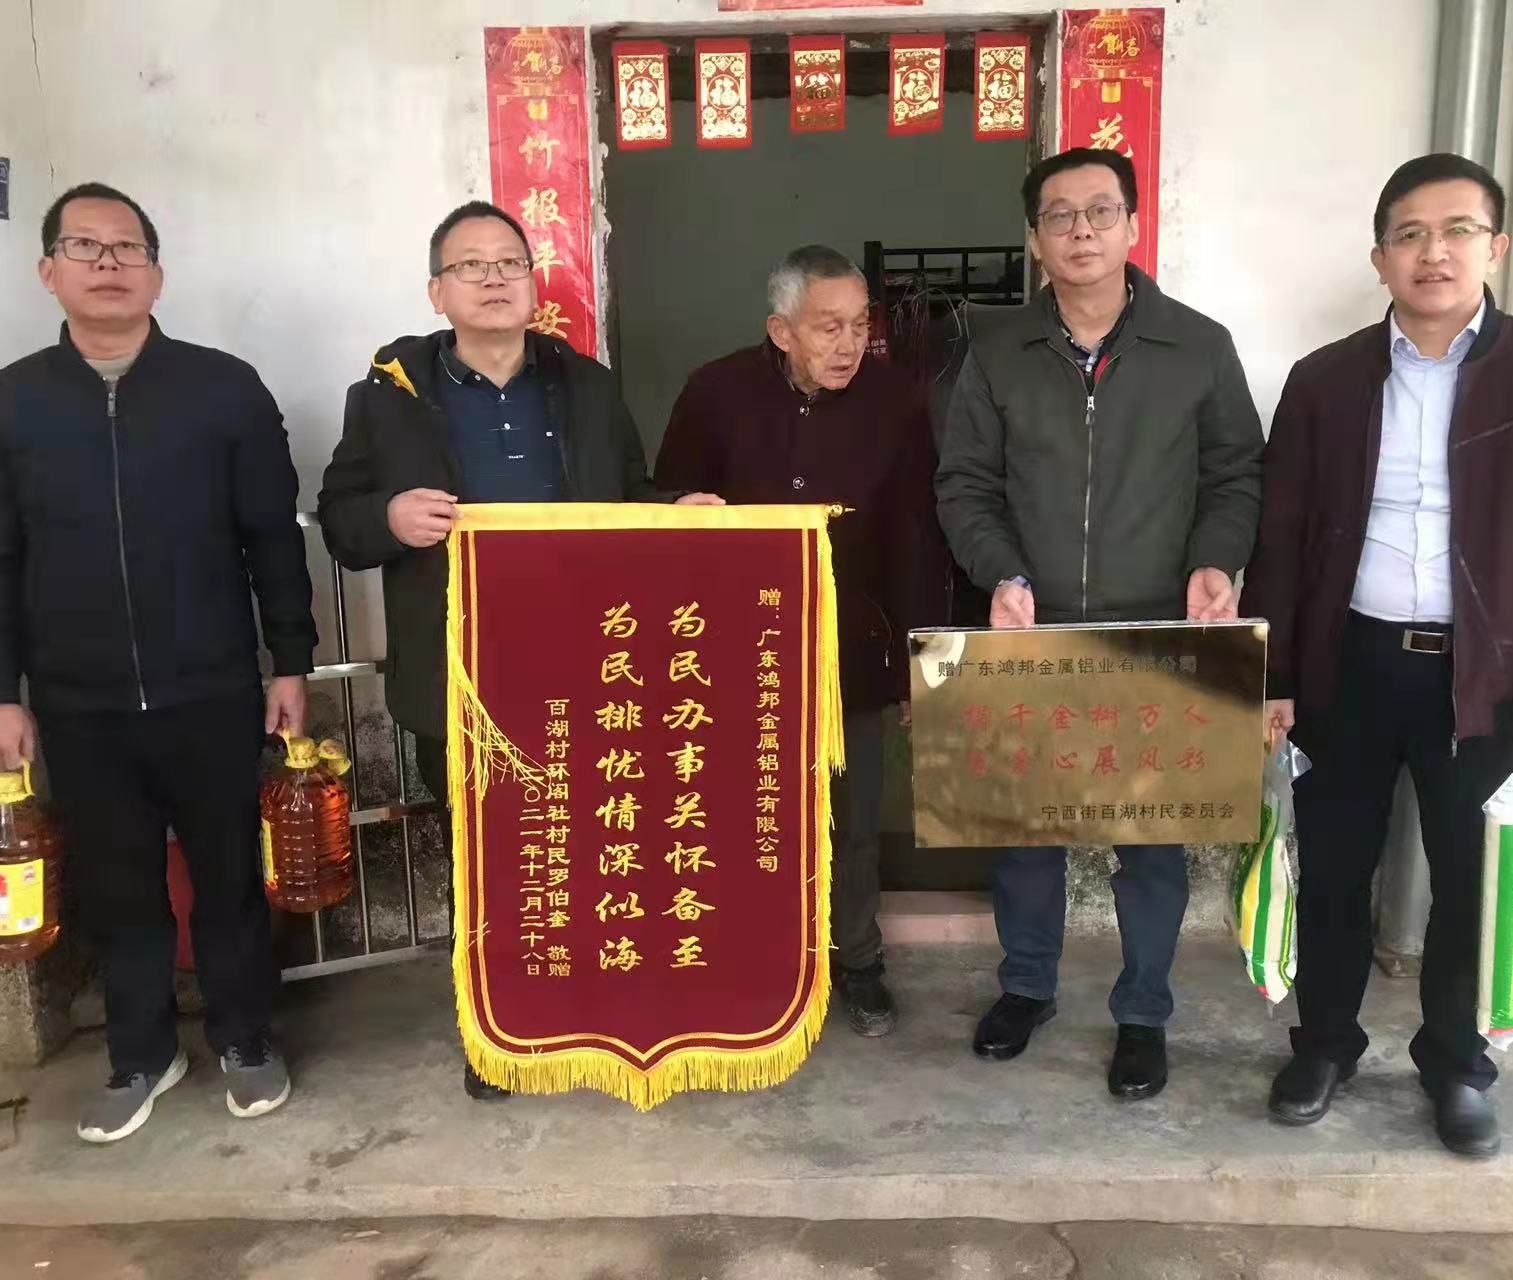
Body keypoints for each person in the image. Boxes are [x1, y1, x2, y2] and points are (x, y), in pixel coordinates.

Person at [1242, 153, 1513, 1158]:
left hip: (1491, 681)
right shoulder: (1324, 380)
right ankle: (1324, 1044)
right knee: (1332, 870)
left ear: (1495, 247)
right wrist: (1275, 678)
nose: (1433, 252)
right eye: (1408, 234)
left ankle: (1456, 1063)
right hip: (1347, 665)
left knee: (1470, 880)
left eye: (1457, 230)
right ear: (1378, 258)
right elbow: (1279, 538)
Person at [317, 200, 719, 1101]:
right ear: (437, 291)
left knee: (598, 838)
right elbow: (340, 520)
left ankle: (597, 1010)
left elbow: (628, 495)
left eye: (509, 262)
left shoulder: (589, 387)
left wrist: (676, 512)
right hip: (458, 667)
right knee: (486, 854)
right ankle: (500, 1026)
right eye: (471, 265)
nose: (494, 279)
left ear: (535, 284)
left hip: (585, 662)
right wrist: (387, 517)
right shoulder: (387, 397)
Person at [0, 182, 316, 1143]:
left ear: (157, 274)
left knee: (229, 876)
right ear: (49, 272)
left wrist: (290, 661)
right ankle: (142, 1055)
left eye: (128, 248)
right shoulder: (9, 403)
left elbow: (271, 536)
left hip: (212, 686)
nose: (109, 263)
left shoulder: (222, 388)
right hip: (78, 701)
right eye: (85, 246)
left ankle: (245, 1039)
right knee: (118, 889)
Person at [935, 149, 1263, 1098]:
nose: (1081, 230)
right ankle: (1027, 987)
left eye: (1099, 211)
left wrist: (1215, 560)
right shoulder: (997, 352)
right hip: (1033, 632)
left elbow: (1236, 473)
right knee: (1024, 834)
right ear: (1035, 240)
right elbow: (965, 483)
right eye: (1059, 215)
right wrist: (1000, 571)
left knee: (1151, 844)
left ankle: (1144, 1011)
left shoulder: (1197, 346)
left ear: (1132, 225)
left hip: (1154, 632)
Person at [653, 245, 950, 1037]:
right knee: (739, 810)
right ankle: (746, 958)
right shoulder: (715, 393)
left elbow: (916, 538)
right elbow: (659, 495)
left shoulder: (897, 401)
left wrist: (919, 661)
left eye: (859, 325)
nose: (849, 345)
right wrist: (682, 505)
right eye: (828, 327)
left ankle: (859, 961)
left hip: (853, 646)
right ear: (781, 330)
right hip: (735, 651)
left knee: (853, 821)